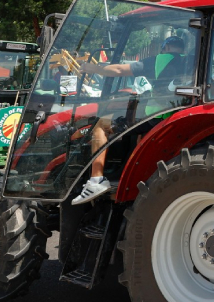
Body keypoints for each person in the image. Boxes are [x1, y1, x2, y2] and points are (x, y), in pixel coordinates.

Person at [73, 36, 188, 204]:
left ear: (166, 47)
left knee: (101, 126)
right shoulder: (190, 62)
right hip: (178, 115)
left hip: (156, 116)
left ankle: (96, 180)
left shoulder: (159, 60)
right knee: (138, 136)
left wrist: (93, 68)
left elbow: (119, 70)